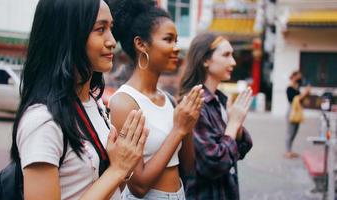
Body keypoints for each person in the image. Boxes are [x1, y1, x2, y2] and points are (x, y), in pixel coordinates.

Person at [10, 0, 148, 199]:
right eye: (100, 29)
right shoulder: (42, 121)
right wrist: (117, 169)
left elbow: (104, 185)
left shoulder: (95, 103)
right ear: (68, 35)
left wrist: (123, 166)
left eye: (111, 28)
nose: (111, 41)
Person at [108, 0, 204, 199]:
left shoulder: (169, 100)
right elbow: (139, 186)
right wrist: (178, 130)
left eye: (176, 41)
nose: (176, 48)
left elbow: (189, 167)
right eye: (168, 39)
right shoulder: (124, 103)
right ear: (141, 44)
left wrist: (187, 125)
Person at [179, 32, 253, 200]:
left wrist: (237, 125)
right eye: (226, 55)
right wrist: (233, 123)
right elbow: (213, 163)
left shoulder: (219, 99)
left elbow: (241, 149)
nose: (233, 62)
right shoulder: (194, 103)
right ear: (205, 60)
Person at [285, 71, 311, 158]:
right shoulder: (289, 88)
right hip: (292, 112)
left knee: (295, 132)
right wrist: (304, 94)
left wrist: (306, 94)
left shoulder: (297, 88)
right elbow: (294, 100)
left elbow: (301, 100)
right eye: (298, 77)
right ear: (294, 77)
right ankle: (287, 151)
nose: (300, 79)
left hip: (297, 112)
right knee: (290, 132)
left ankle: (290, 150)